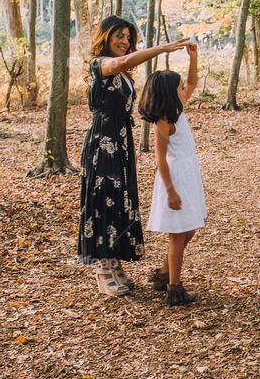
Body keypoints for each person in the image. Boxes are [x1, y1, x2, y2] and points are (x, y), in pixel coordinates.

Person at [78, 15, 191, 296]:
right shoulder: (100, 65)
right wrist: (162, 49)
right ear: (105, 37)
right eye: (119, 36)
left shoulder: (124, 75)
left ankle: (115, 263)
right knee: (103, 201)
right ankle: (103, 269)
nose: (125, 42)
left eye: (128, 38)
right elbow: (123, 62)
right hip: (103, 141)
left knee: (119, 200)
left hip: (121, 140)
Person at [139, 43, 206, 306]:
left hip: (188, 177)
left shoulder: (178, 110)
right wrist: (169, 190)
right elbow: (160, 158)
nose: (185, 90)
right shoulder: (164, 122)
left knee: (188, 230)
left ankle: (164, 272)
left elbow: (192, 83)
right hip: (175, 179)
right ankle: (174, 288)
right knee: (178, 234)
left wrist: (193, 59)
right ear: (169, 94)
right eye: (179, 88)